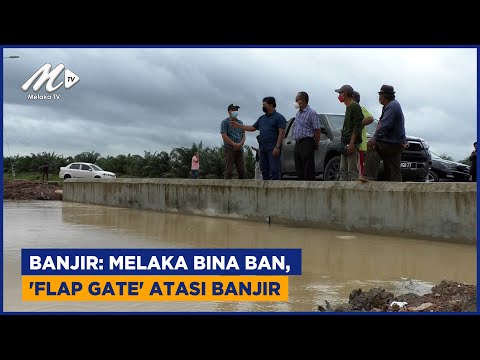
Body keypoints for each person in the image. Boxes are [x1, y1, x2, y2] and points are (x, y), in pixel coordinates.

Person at [230, 97, 286, 180]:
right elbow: (253, 128)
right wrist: (239, 126)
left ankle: (275, 190)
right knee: (264, 170)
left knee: (274, 170)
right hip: (263, 148)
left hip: (273, 147)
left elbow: (282, 133)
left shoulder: (279, 117)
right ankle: (265, 190)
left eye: (264, 105)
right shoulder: (262, 118)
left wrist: (277, 147)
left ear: (271, 105)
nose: (263, 106)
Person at [359, 85, 407, 182]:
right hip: (396, 143)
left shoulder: (392, 106)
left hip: (392, 143)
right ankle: (396, 185)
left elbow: (385, 125)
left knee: (372, 146)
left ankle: (369, 176)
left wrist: (374, 138)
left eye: (380, 95)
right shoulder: (392, 105)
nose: (379, 98)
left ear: (383, 96)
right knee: (393, 169)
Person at [334, 85, 363, 181]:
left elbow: (357, 126)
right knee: (343, 169)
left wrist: (351, 143)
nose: (339, 96)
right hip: (345, 141)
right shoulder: (348, 107)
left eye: (340, 93)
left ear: (345, 94)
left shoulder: (354, 106)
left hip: (351, 143)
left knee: (352, 169)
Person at [292, 91, 321, 180]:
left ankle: (310, 185)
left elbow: (317, 129)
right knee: (299, 167)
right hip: (298, 142)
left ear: (303, 101)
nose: (296, 102)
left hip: (307, 142)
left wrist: (316, 143)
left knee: (308, 167)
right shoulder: (298, 114)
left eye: (297, 100)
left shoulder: (311, 112)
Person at [220, 104, 246, 179]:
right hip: (229, 148)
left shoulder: (240, 122)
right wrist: (234, 144)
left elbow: (244, 135)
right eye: (233, 110)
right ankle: (226, 188)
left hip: (240, 148)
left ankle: (242, 189)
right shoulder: (224, 122)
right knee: (229, 171)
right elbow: (224, 136)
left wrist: (240, 144)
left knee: (242, 171)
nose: (236, 111)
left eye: (236, 110)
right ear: (229, 111)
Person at [352, 91, 374, 177]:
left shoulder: (360, 108)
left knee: (359, 170)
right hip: (353, 144)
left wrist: (357, 123)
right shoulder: (351, 109)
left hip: (359, 144)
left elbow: (370, 118)